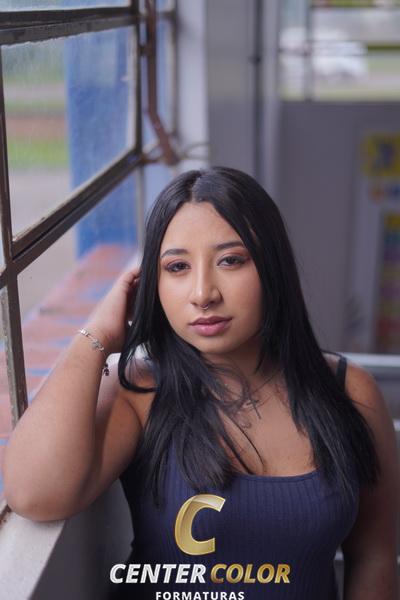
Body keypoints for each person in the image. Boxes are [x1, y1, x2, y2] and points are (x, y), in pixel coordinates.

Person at [3, 166, 399, 600]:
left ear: (272, 266)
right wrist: (95, 338)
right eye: (177, 267)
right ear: (152, 285)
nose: (203, 293)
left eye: (231, 260)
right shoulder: (142, 391)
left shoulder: (348, 390)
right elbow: (34, 493)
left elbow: (374, 555)